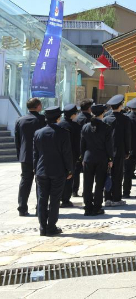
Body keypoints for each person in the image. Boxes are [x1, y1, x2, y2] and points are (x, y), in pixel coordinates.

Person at [33, 106, 73, 236]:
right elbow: (67, 154)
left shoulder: (38, 133)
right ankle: (51, 227)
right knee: (55, 199)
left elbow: (35, 154)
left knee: (42, 199)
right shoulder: (63, 132)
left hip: (41, 170)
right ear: (58, 118)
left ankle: (42, 227)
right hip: (58, 170)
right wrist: (69, 170)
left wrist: (35, 169)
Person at [80, 104, 114, 216]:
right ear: (103, 113)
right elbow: (109, 146)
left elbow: (82, 145)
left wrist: (82, 157)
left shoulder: (85, 127)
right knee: (99, 184)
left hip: (88, 157)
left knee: (87, 183)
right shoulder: (106, 127)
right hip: (101, 158)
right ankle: (97, 207)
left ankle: (87, 207)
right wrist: (110, 158)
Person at [15, 97, 46, 216]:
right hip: (40, 155)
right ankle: (40, 208)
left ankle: (22, 207)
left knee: (25, 181)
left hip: (25, 155)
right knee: (41, 182)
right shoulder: (42, 119)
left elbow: (17, 140)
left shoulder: (20, 120)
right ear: (38, 106)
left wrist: (20, 154)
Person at [103, 95, 131, 207]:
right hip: (119, 151)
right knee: (118, 175)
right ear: (120, 106)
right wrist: (127, 151)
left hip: (107, 151)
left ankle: (107, 197)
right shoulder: (125, 119)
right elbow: (127, 137)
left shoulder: (105, 119)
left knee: (107, 174)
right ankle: (116, 198)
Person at [57, 104, 81, 208]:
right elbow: (78, 143)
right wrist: (79, 155)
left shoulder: (59, 124)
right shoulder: (75, 126)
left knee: (59, 176)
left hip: (59, 155)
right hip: (72, 155)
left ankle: (58, 197)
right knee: (69, 176)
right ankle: (65, 199)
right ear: (73, 115)